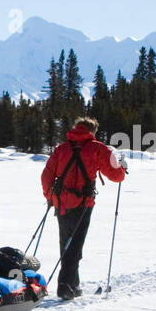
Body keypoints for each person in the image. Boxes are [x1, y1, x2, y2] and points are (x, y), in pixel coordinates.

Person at [40, 116, 126, 299]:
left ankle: (73, 286)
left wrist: (51, 197)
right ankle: (65, 287)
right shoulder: (98, 148)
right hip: (83, 204)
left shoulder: (61, 149)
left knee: (66, 244)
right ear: (92, 131)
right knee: (75, 247)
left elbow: (46, 176)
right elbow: (116, 176)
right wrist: (122, 168)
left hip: (62, 204)